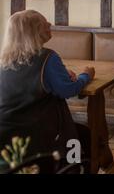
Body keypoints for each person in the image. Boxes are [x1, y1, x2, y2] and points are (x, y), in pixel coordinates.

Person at [0, 10, 95, 171]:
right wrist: (86, 75)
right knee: (81, 138)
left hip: (5, 133)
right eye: (44, 23)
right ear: (34, 31)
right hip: (35, 132)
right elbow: (68, 90)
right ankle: (73, 167)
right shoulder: (47, 57)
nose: (50, 25)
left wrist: (61, 77)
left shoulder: (4, 60)